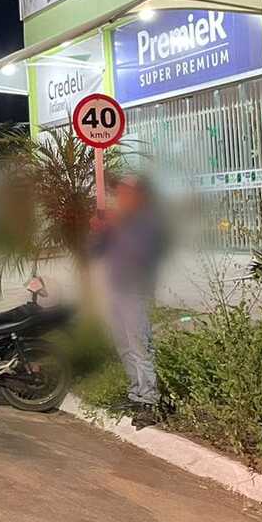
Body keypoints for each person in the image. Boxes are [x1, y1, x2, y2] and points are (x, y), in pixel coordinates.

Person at [89, 174, 167, 429]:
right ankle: (136, 393)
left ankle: (151, 400)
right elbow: (96, 252)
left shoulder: (149, 221)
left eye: (126, 193)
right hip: (115, 291)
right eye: (119, 193)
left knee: (140, 346)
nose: (120, 197)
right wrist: (98, 232)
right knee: (123, 345)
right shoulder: (117, 221)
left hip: (136, 293)